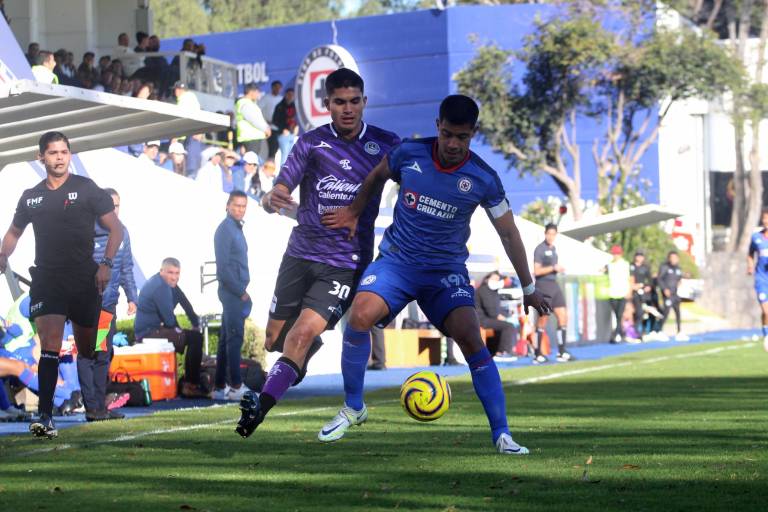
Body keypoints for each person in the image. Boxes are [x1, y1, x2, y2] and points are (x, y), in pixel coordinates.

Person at [308, 94, 550, 455]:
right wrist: (353, 211)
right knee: (360, 315)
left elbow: (509, 233)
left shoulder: (484, 178)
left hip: (444, 272)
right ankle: (354, 407)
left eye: (462, 137)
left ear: (473, 134)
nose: (453, 144)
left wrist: (528, 287)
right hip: (398, 263)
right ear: (438, 126)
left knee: (471, 338)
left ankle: (502, 435)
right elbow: (377, 175)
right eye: (448, 134)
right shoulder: (409, 153)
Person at [234, 68, 400, 439]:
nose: (348, 109)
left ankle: (260, 408)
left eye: (354, 101)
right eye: (339, 102)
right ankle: (302, 355)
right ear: (327, 104)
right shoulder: (310, 143)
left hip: (344, 263)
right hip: (300, 254)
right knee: (274, 340)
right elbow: (279, 191)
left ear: (364, 102)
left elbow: (416, 179)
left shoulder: (386, 144)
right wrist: (271, 198)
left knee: (300, 335)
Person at [0, 131, 123, 438]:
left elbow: (116, 229)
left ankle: (94, 397)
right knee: (50, 344)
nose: (59, 158)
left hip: (84, 278)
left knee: (89, 348)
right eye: (53, 153)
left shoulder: (86, 188)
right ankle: (45, 417)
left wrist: (106, 265)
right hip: (47, 278)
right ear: (41, 157)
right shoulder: (31, 196)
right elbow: (14, 232)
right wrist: (3, 255)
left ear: (70, 155)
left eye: (64, 152)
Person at [77, 188, 137, 421]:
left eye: (117, 205)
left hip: (107, 305)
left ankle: (99, 407)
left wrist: (132, 297)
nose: (114, 210)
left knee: (103, 354)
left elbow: (126, 268)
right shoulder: (84, 231)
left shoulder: (123, 233)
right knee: (87, 354)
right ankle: (92, 407)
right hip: (87, 305)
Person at [134, 258, 208, 397]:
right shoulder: (160, 287)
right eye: (170, 272)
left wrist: (195, 324)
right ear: (161, 271)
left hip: (154, 329)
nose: (174, 277)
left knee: (192, 336)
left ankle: (188, 382)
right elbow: (169, 320)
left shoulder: (166, 283)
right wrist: (182, 333)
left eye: (177, 273)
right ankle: (191, 385)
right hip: (148, 333)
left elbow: (184, 302)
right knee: (195, 338)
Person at [213, 191, 252, 400]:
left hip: (235, 290)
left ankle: (219, 387)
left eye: (243, 206)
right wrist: (240, 291)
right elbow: (223, 267)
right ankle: (236, 385)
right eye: (236, 205)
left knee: (226, 339)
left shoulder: (235, 228)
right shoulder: (225, 229)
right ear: (228, 206)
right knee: (235, 338)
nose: (240, 209)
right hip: (231, 292)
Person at [532, 223, 575, 364]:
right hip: (543, 286)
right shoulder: (539, 249)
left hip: (554, 285)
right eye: (549, 234)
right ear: (545, 234)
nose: (551, 237)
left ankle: (562, 352)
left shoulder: (554, 249)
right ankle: (537, 354)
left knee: (563, 316)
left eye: (553, 234)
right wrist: (553, 268)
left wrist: (558, 269)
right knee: (543, 319)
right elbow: (537, 271)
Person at [475, 271, 518, 361]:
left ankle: (498, 351)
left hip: (488, 318)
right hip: (482, 320)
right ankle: (502, 352)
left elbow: (497, 308)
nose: (496, 281)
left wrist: (508, 314)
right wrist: (503, 317)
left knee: (508, 324)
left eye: (498, 279)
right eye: (494, 279)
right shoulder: (483, 290)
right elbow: (492, 312)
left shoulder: (494, 291)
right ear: (487, 279)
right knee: (509, 326)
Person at [747, 207, 768, 352]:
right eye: (764, 218)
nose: (766, 221)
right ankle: (766, 336)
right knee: (767, 311)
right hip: (761, 279)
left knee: (766, 313)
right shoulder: (756, 237)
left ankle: (765, 331)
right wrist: (750, 265)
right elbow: (750, 253)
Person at [236, 83, 271, 164]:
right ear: (251, 92)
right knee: (251, 162)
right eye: (257, 92)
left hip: (250, 137)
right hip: (251, 137)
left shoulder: (247, 103)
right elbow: (254, 119)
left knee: (251, 161)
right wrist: (265, 128)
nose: (258, 94)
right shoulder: (246, 103)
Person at [656, 251, 687, 341]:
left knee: (678, 312)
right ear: (669, 258)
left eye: (675, 258)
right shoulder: (664, 267)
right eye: (672, 258)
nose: (674, 259)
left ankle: (679, 332)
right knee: (666, 312)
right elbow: (659, 279)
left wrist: (680, 282)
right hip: (667, 294)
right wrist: (664, 289)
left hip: (675, 294)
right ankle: (659, 331)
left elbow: (679, 278)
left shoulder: (678, 268)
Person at [605, 245, 631, 344]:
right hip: (612, 293)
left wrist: (629, 291)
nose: (616, 256)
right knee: (616, 315)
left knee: (619, 315)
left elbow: (629, 278)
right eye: (614, 254)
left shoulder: (625, 264)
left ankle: (616, 334)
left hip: (622, 293)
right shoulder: (609, 265)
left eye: (617, 254)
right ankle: (620, 333)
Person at [630, 249, 653, 341]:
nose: (639, 258)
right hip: (633, 292)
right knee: (637, 312)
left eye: (641, 256)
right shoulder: (631, 266)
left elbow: (650, 280)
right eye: (638, 256)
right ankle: (636, 331)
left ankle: (641, 331)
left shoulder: (645, 268)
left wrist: (648, 286)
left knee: (642, 313)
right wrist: (633, 286)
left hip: (643, 293)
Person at [273, 87, 299, 166]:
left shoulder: (294, 105)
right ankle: (283, 172)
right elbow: (275, 121)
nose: (291, 96)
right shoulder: (280, 106)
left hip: (292, 134)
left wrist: (296, 126)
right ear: (285, 95)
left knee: (291, 156)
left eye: (292, 95)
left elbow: (296, 118)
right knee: (284, 156)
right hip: (283, 135)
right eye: (289, 94)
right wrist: (282, 129)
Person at [259, 80, 283, 160]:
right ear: (272, 88)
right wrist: (264, 121)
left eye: (279, 88)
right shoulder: (266, 98)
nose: (278, 89)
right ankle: (270, 163)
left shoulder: (282, 99)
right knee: (272, 149)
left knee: (280, 149)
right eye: (276, 87)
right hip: (270, 128)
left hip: (280, 128)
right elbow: (258, 110)